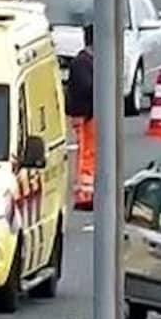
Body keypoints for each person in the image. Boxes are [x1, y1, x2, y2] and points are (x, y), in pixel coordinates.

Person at [65, 23, 96, 210]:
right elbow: (87, 87)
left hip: (88, 115)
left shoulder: (86, 62)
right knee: (86, 155)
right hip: (85, 116)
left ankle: (88, 192)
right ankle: (84, 195)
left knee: (90, 154)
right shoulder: (82, 63)